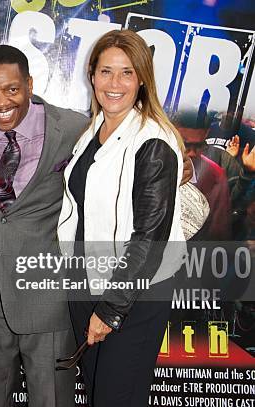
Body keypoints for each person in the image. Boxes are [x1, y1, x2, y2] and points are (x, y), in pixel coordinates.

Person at [0, 44, 88, 407]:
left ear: (29, 84)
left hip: (48, 295)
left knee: (53, 401)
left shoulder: (73, 127)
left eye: (11, 89)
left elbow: (119, 163)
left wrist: (177, 164)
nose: (0, 101)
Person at [57, 29, 185, 406]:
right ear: (92, 76)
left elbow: (149, 237)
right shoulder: (92, 132)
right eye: (105, 71)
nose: (114, 83)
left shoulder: (152, 141)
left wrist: (110, 309)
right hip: (88, 286)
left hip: (132, 297)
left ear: (142, 79)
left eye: (126, 72)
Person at [173, 111, 232, 240]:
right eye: (186, 145)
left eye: (199, 146)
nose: (193, 153)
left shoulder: (215, 176)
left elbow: (217, 233)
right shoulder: (144, 162)